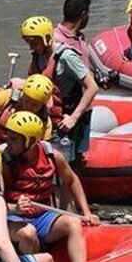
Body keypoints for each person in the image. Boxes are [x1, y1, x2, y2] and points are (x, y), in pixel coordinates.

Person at [1, 111, 99, 262]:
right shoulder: (4, 161)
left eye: (13, 139)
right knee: (28, 233)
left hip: (41, 217)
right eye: (8, 137)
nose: (8, 142)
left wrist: (86, 213)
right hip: (12, 219)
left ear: (30, 141)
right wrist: (15, 208)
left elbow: (72, 180)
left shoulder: (52, 156)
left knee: (73, 223)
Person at [21, 16, 99, 162]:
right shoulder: (37, 56)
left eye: (34, 42)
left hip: (66, 119)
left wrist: (73, 118)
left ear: (46, 38)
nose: (31, 47)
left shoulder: (67, 57)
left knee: (64, 165)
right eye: (28, 43)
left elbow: (92, 87)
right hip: (48, 119)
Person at [0, 74, 54, 144]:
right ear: (22, 94)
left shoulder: (45, 122)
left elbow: (41, 150)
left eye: (35, 105)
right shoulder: (7, 97)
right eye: (27, 101)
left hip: (13, 160)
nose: (29, 107)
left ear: (43, 105)